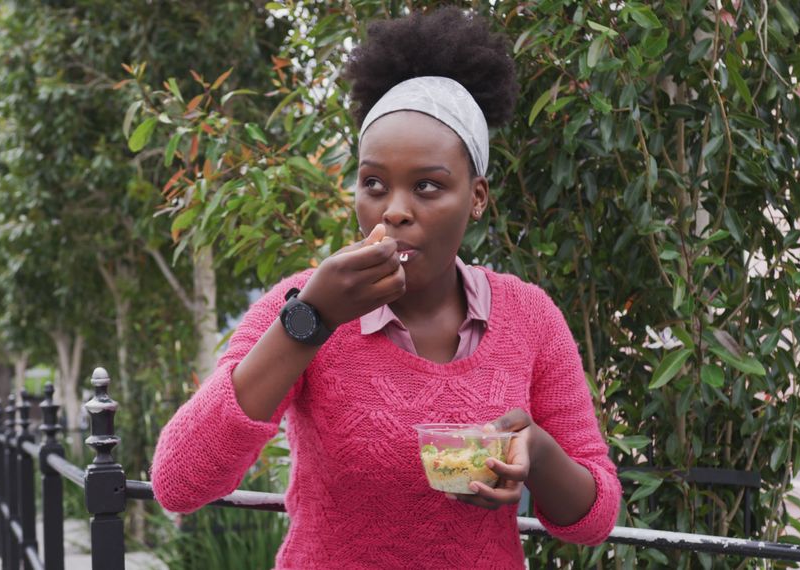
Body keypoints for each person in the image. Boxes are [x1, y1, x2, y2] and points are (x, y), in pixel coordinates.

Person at [151, 7, 621, 568]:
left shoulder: (529, 317)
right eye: (373, 183)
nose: (394, 210)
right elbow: (179, 482)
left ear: (477, 196)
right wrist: (312, 321)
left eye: (427, 186)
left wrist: (537, 454)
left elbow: (594, 520)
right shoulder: (302, 302)